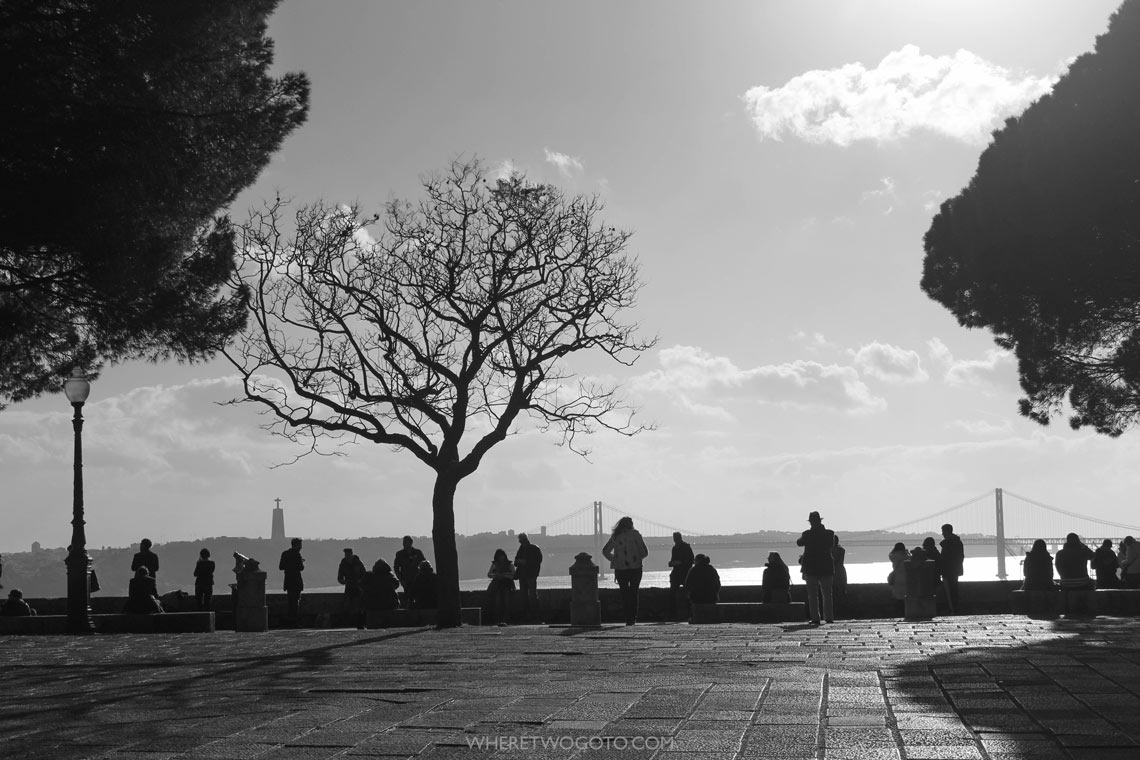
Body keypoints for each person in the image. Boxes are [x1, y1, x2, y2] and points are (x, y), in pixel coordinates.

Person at [602, 516, 649, 626]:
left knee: (624, 593)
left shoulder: (615, 536)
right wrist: (636, 558)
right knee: (634, 593)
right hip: (635, 568)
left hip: (620, 569)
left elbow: (605, 551)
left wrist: (615, 559)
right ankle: (632, 618)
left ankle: (627, 617)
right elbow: (645, 552)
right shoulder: (636, 535)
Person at [796, 510, 834, 626]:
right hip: (826, 567)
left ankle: (815, 618)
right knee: (827, 594)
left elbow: (799, 543)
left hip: (811, 567)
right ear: (820, 520)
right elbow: (830, 545)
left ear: (810, 522)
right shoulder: (829, 533)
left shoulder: (807, 534)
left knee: (812, 595)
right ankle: (829, 617)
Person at [513, 533, 543, 622]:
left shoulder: (534, 548)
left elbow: (538, 561)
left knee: (532, 595)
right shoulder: (522, 549)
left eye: (521, 540)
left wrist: (525, 562)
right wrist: (522, 562)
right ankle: (527, 616)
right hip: (523, 575)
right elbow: (516, 562)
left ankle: (535, 616)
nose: (521, 542)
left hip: (531, 574)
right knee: (524, 596)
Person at [667, 531, 694, 620]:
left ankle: (690, 613)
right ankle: (673, 614)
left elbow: (690, 560)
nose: (675, 540)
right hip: (677, 573)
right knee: (672, 594)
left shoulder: (686, 547)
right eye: (674, 538)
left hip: (685, 573)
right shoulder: (674, 548)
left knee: (689, 594)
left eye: (676, 538)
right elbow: (673, 560)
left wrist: (680, 563)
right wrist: (672, 563)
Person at [338, 548, 367, 628]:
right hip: (349, 587)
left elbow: (364, 574)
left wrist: (360, 581)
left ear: (351, 554)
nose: (347, 556)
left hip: (359, 587)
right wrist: (345, 582)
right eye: (346, 554)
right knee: (348, 606)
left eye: (348, 554)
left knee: (360, 606)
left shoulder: (358, 562)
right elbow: (340, 578)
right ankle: (349, 624)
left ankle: (360, 624)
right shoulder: (343, 564)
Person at [393, 536, 426, 609]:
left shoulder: (418, 552)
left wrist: (422, 577)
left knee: (418, 597)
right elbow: (396, 568)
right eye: (403, 543)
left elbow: (424, 564)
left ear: (411, 543)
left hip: (417, 580)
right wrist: (401, 579)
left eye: (405, 542)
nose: (404, 544)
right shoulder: (399, 554)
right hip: (406, 581)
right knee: (407, 598)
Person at [279, 538, 305, 626]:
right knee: (295, 603)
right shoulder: (297, 555)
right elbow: (301, 568)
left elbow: (281, 566)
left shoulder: (285, 554)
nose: (301, 547)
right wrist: (300, 562)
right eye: (300, 545)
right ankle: (294, 622)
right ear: (296, 545)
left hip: (288, 581)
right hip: (296, 581)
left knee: (291, 602)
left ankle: (291, 621)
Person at [940, 523, 965, 613]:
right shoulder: (958, 542)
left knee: (950, 591)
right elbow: (961, 556)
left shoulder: (948, 543)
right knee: (954, 589)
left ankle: (952, 608)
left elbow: (945, 557)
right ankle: (954, 607)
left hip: (948, 570)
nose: (942, 534)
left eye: (943, 532)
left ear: (947, 532)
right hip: (955, 570)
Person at [487, 549, 515, 626]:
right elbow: (489, 575)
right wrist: (496, 575)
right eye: (499, 556)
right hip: (497, 586)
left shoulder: (510, 565)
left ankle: (506, 619)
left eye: (502, 556)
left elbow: (513, 575)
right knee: (497, 602)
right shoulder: (494, 565)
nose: (501, 558)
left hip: (507, 585)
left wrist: (504, 575)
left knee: (507, 602)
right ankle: (498, 619)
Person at [888, 542, 909, 615]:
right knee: (906, 597)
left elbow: (890, 554)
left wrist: (893, 550)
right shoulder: (907, 556)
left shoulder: (894, 557)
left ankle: (899, 613)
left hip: (897, 579)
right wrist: (906, 551)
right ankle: (906, 612)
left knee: (899, 597)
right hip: (907, 579)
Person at [831, 535, 847, 615]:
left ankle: (837, 611)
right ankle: (841, 611)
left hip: (834, 572)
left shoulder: (831, 550)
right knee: (841, 590)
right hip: (841, 571)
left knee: (834, 592)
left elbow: (833, 560)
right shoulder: (842, 550)